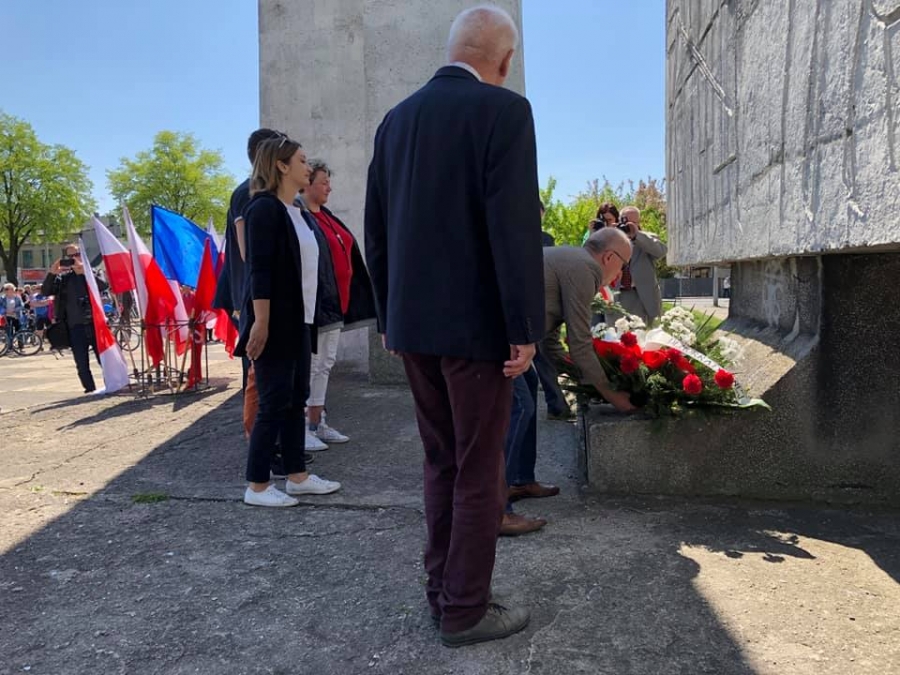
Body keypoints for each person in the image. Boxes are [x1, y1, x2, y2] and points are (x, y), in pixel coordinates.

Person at [365, 5, 543, 647]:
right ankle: (465, 609)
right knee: (479, 468)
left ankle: (442, 590)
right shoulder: (505, 111)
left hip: (413, 327)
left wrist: (391, 318)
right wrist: (524, 325)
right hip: (478, 331)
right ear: (506, 60)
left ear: (451, 50)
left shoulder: (395, 121)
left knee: (441, 461)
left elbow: (376, 231)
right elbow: (514, 226)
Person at [234, 134, 341, 508]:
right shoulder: (263, 209)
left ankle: (297, 476)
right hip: (275, 321)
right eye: (301, 160)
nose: (307, 167)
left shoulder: (297, 211)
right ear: (281, 166)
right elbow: (259, 269)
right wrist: (261, 322)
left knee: (296, 399)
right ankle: (257, 485)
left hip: (302, 320)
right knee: (273, 402)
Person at [298, 160, 377, 450]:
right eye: (323, 182)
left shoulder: (327, 216)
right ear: (307, 184)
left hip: (336, 306)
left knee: (325, 364)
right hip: (316, 305)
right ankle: (301, 428)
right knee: (311, 365)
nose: (329, 188)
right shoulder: (300, 216)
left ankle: (317, 422)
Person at [541, 229, 638, 413]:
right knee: (521, 408)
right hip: (493, 337)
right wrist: (612, 394)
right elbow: (580, 344)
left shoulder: (572, 258)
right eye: (623, 265)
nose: (620, 274)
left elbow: (548, 343)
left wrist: (589, 378)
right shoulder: (586, 268)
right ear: (609, 257)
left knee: (523, 403)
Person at [41, 244, 106, 393]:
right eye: (70, 257)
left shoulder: (92, 272)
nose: (74, 259)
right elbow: (46, 291)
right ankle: (89, 389)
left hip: (95, 324)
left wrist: (85, 273)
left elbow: (103, 286)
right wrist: (52, 273)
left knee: (104, 359)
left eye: (76, 255)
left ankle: (111, 384)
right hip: (74, 326)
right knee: (81, 362)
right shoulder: (64, 278)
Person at [607, 206, 667, 325]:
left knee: (642, 333)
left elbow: (661, 251)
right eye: (625, 221)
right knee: (615, 333)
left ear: (638, 222)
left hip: (642, 297)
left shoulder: (647, 238)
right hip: (617, 295)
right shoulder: (611, 239)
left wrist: (637, 236)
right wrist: (609, 235)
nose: (628, 225)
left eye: (633, 222)